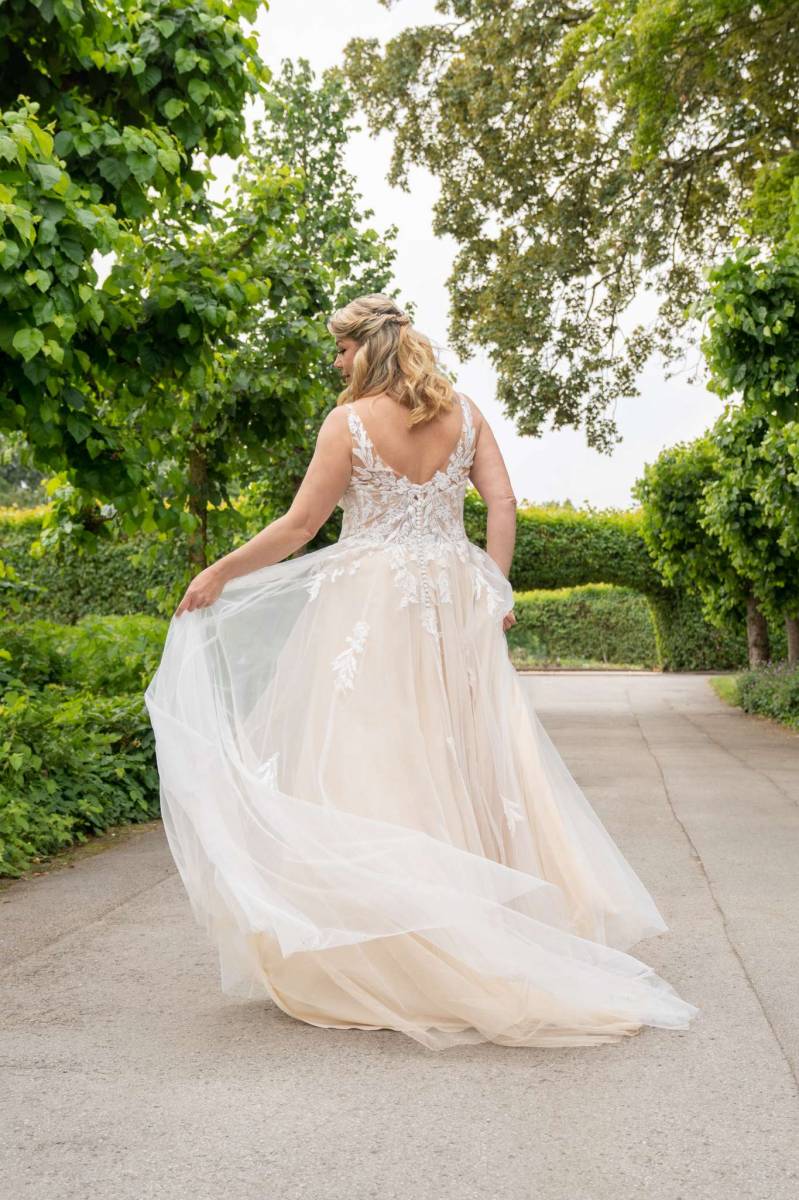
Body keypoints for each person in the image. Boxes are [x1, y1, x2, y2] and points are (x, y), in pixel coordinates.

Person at [144, 293, 700, 1050]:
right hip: (452, 604)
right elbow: (501, 501)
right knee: (461, 753)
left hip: (368, 608)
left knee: (369, 759)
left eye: (340, 349)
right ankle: (476, 926)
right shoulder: (464, 413)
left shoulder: (345, 424)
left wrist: (219, 572)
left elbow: (300, 527)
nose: (335, 362)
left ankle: (395, 947)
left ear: (364, 348)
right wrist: (493, 585)